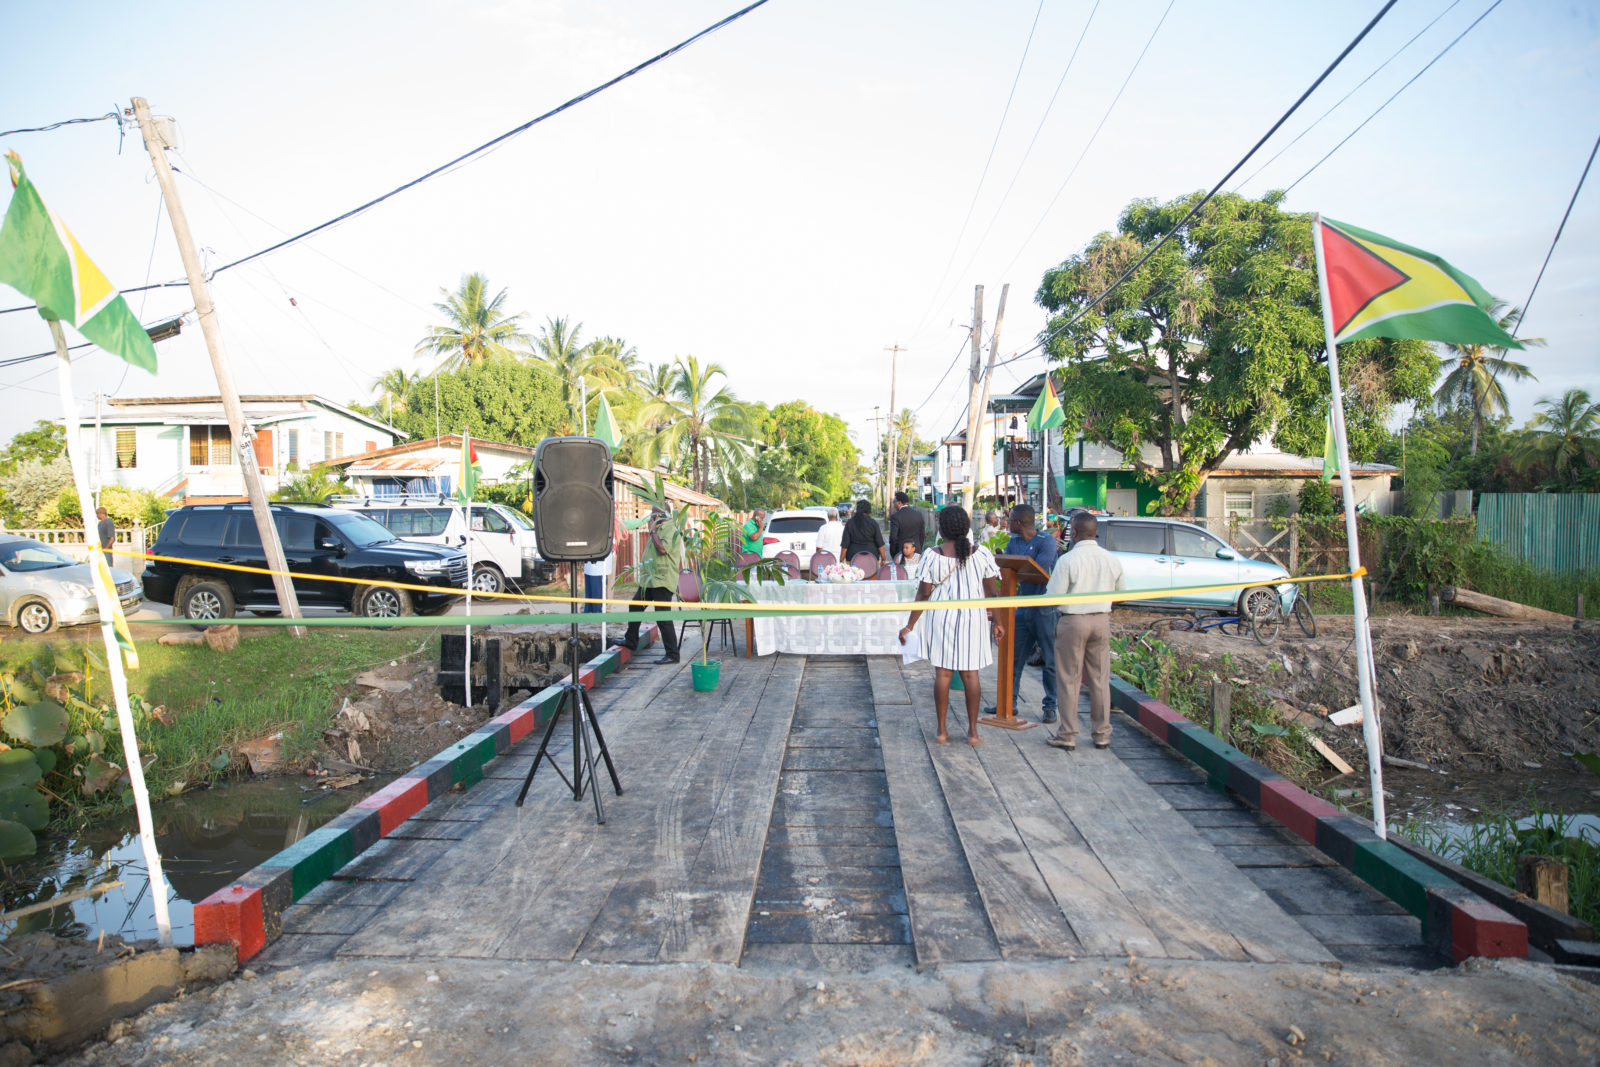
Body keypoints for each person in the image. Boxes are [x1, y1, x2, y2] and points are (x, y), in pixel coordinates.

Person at [899, 506, 1003, 745]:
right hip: (973, 619)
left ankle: (942, 730)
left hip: (941, 618)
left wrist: (909, 625)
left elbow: (923, 594)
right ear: (966, 527)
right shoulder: (982, 554)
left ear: (942, 528)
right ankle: (973, 732)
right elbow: (992, 593)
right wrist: (997, 622)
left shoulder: (932, 555)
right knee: (971, 674)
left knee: (943, 674)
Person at [1045, 512, 1125, 751]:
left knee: (1069, 679)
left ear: (1075, 533)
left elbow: (1054, 596)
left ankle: (1068, 734)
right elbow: (1121, 594)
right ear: (1095, 532)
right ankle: (1102, 734)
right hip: (1101, 620)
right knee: (1100, 680)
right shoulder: (1111, 559)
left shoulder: (1068, 560)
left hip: (1073, 621)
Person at [995, 504, 1060, 723]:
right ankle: (1008, 702)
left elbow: (1039, 570)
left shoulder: (1046, 542)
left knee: (1049, 659)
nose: (1006, 522)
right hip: (1021, 608)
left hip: (1044, 607)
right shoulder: (1013, 542)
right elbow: (1011, 571)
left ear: (1019, 522)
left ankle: (1050, 705)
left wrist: (1017, 570)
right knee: (1013, 658)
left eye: (1010, 519)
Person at [609, 504, 684, 664]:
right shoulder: (657, 529)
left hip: (662, 580)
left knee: (662, 617)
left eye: (653, 514)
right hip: (650, 579)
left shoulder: (670, 530)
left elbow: (662, 550)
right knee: (635, 606)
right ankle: (631, 640)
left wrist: (653, 531)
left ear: (661, 516)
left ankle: (672, 655)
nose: (650, 518)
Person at [841, 498, 886, 566]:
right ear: (869, 510)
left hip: (853, 560)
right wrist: (883, 559)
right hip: (872, 560)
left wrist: (841, 560)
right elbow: (880, 544)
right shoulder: (873, 523)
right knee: (871, 576)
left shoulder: (849, 523)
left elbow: (845, 545)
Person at [888, 491, 925, 564]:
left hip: (901, 552)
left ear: (899, 503)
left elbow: (893, 538)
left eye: (894, 502)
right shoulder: (918, 514)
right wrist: (917, 548)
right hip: (916, 551)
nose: (894, 504)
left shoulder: (895, 516)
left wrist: (894, 553)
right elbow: (922, 535)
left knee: (903, 574)